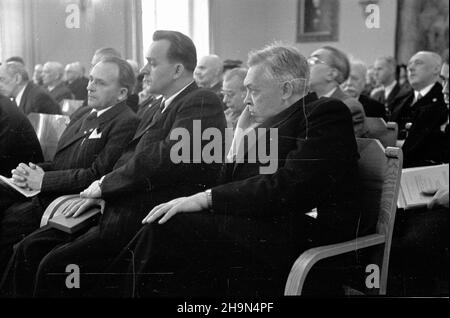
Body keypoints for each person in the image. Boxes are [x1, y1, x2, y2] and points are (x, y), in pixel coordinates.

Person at [99, 44, 361, 297]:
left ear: (286, 89)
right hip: (259, 227)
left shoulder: (325, 113)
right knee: (162, 216)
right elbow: (233, 180)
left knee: (170, 227)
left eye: (253, 90)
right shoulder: (268, 122)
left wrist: (205, 198)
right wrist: (240, 138)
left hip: (302, 239)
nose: (246, 99)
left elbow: (291, 185)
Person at [1, 30, 226, 297]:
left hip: (146, 220)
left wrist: (103, 185)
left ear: (177, 69)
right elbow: (129, 158)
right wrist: (101, 190)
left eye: (152, 63)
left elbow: (163, 159)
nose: (144, 70)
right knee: (32, 249)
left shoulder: (201, 101)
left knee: (54, 264)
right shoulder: (155, 107)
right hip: (116, 209)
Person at [0, 57, 139, 277]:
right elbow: (61, 162)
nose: (89, 86)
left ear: (122, 93)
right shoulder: (84, 114)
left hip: (68, 201)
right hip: (49, 190)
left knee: (9, 226)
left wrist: (43, 180)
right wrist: (32, 170)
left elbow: (98, 175)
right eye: (91, 79)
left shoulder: (125, 122)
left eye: (100, 83)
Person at [395, 51, 447, 167]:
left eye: (418, 63)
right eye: (409, 64)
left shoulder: (444, 100)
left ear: (436, 69)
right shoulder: (400, 99)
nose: (411, 68)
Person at [308, 46, 368, 137]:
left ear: (331, 74)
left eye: (314, 61)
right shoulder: (302, 103)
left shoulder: (349, 107)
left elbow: (334, 148)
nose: (305, 65)